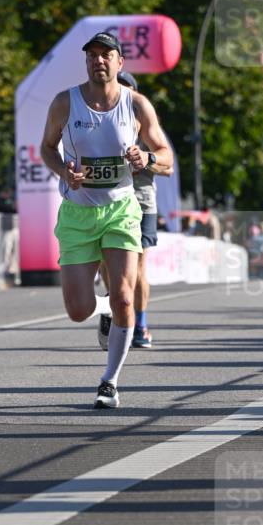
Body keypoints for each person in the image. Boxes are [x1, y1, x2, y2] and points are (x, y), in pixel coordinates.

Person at [40, 31, 172, 408]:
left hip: (121, 210)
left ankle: (109, 382)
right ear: (86, 62)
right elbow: (47, 149)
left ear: (119, 63)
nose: (98, 60)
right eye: (92, 55)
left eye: (106, 55)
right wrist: (64, 171)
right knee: (78, 310)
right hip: (78, 213)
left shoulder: (136, 105)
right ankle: (104, 311)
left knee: (125, 297)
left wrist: (146, 159)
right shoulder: (65, 103)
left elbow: (166, 156)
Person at [97, 70, 175, 350]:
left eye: (128, 89)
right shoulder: (101, 122)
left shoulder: (146, 122)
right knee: (106, 263)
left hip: (141, 200)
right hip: (109, 199)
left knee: (138, 267)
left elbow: (169, 166)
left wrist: (145, 160)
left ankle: (140, 323)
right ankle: (113, 305)